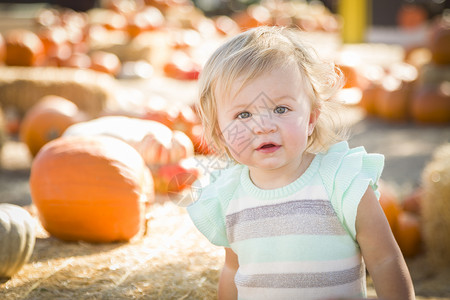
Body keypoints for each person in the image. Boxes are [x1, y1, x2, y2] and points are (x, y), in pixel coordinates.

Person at [187, 26, 414, 300]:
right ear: (220, 130)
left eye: (281, 109)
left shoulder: (341, 182)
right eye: (244, 114)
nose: (263, 126)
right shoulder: (227, 195)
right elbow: (232, 269)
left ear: (310, 119)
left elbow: (385, 260)